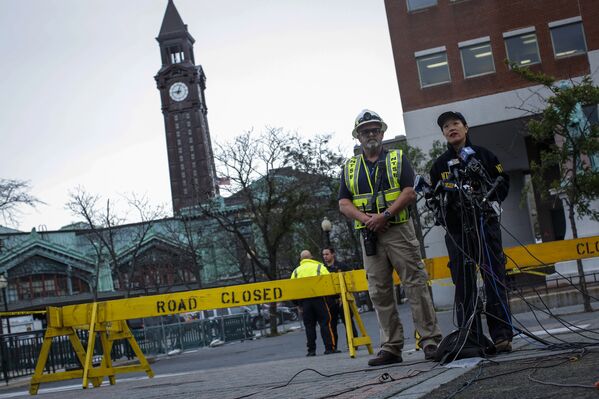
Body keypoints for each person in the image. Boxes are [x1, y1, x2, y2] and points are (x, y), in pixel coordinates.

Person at [339, 109, 443, 366]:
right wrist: (368, 220)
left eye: (375, 129)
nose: (371, 134)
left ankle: (430, 341)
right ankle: (392, 347)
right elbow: (344, 203)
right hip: (370, 235)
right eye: (365, 131)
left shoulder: (397, 158)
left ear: (382, 132)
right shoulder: (350, 167)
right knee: (379, 291)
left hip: (398, 229)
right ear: (358, 137)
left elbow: (409, 192)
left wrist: (384, 215)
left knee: (415, 284)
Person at [430, 111, 513, 353]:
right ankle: (471, 338)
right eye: (446, 126)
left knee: (494, 280)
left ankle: (502, 337)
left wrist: (488, 199)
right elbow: (434, 199)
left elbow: (503, 182)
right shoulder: (438, 166)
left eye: (455, 124)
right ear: (443, 133)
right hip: (457, 234)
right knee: (464, 285)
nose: (451, 128)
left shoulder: (485, 156)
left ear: (466, 128)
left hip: (485, 227)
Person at [290, 250, 339, 356]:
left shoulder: (296, 271)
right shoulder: (319, 267)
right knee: (325, 323)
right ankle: (329, 348)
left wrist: (297, 304)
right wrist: (333, 298)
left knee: (309, 326)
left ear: (301, 259)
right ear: (311, 257)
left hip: (305, 302)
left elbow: (292, 289)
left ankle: (311, 351)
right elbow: (329, 283)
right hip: (319, 300)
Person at [322, 247, 358, 350]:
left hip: (343, 299)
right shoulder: (323, 268)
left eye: (327, 254)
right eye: (323, 255)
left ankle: (353, 344)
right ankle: (333, 347)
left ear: (333, 254)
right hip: (330, 301)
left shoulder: (342, 266)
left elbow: (351, 279)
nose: (325, 256)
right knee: (332, 324)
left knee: (348, 322)